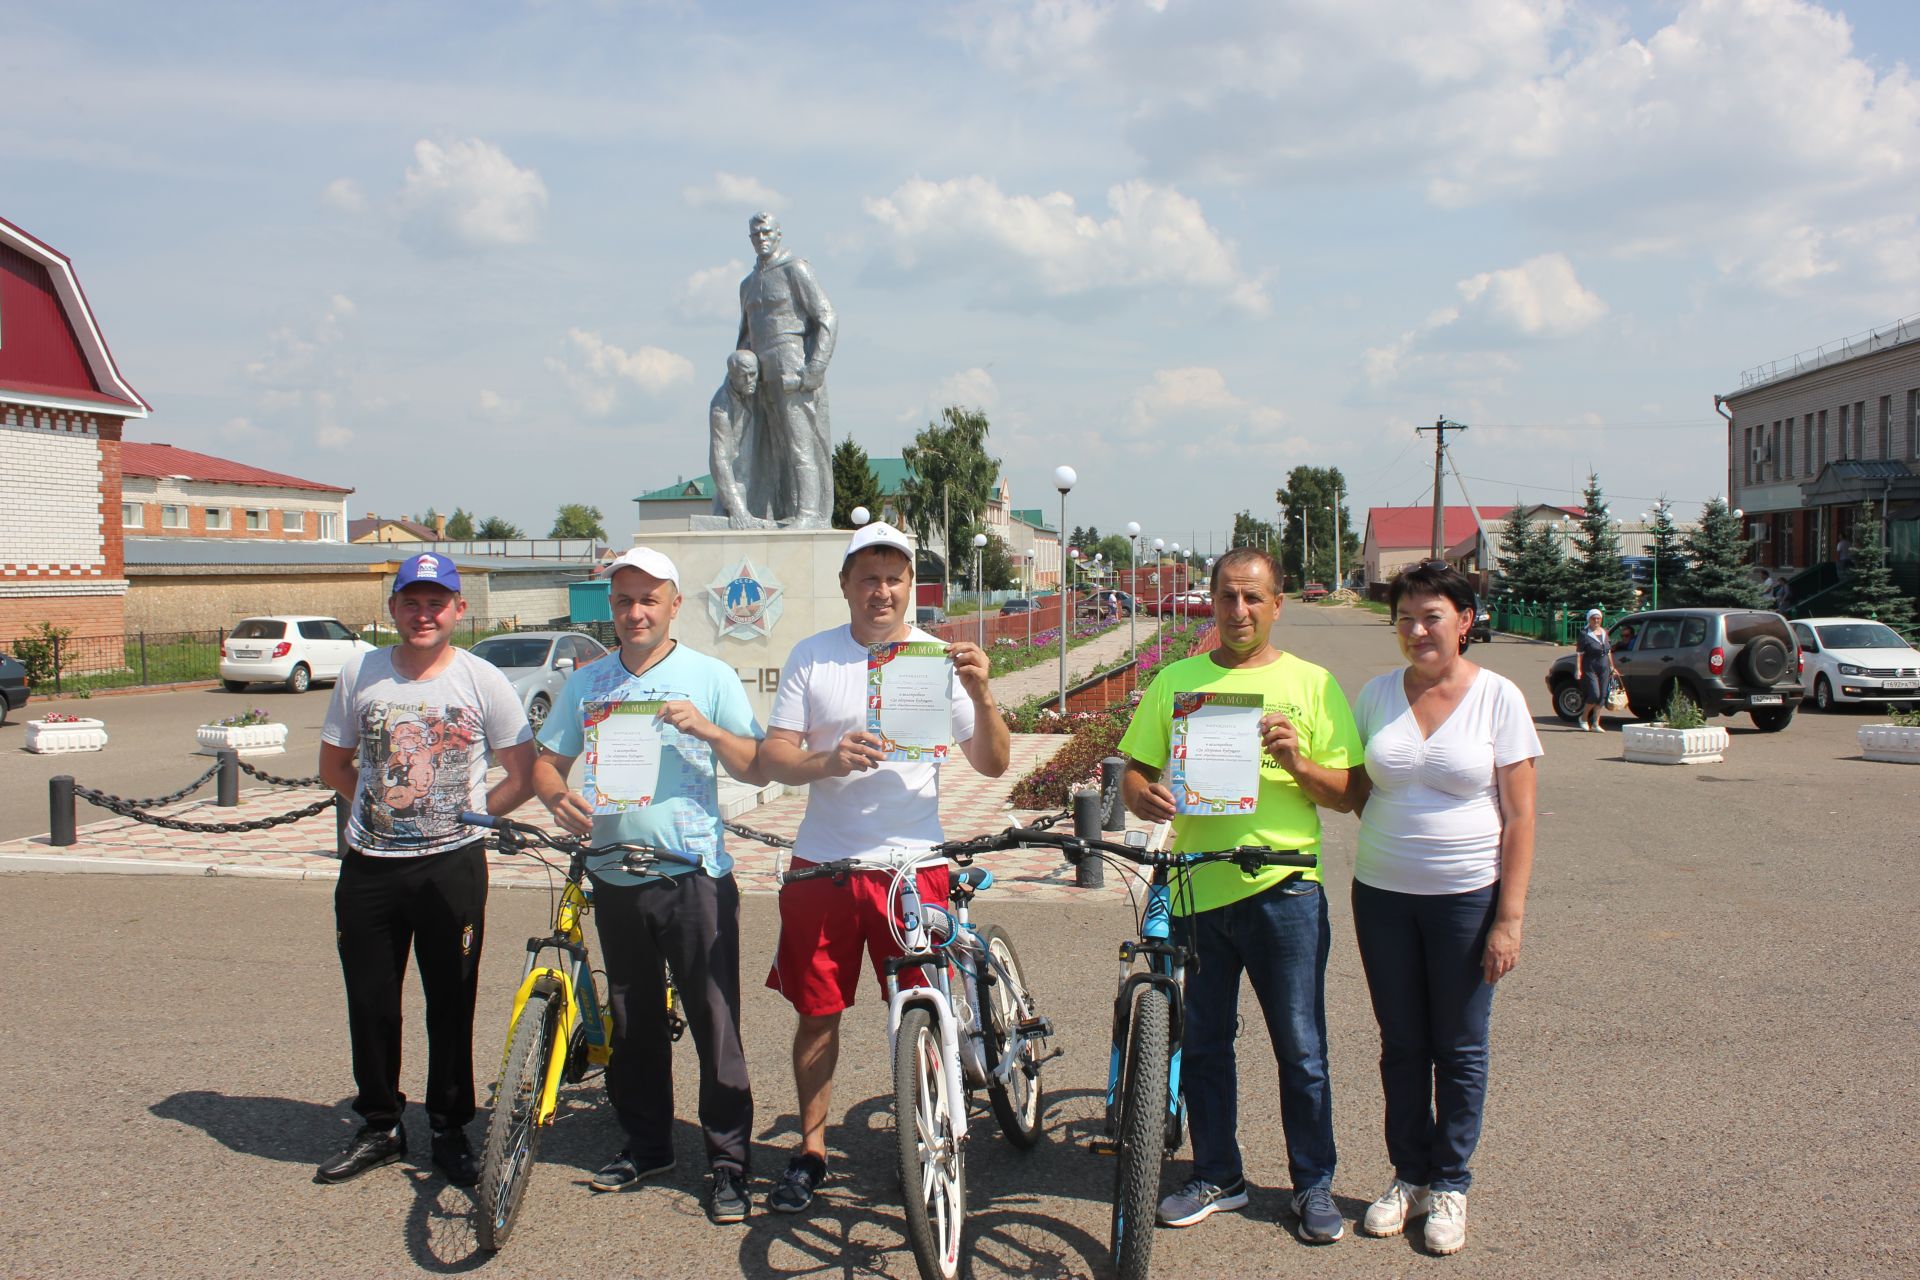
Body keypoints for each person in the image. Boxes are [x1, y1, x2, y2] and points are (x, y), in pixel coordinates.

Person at [754, 521, 1010, 1214]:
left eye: (895, 577)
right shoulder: (814, 657)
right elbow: (772, 755)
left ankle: (925, 1136)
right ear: (846, 585)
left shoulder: (935, 658)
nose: (882, 590)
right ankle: (810, 1151)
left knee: (919, 1010)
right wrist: (825, 760)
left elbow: (993, 762)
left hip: (913, 867)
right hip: (825, 866)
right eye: (868, 577)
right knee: (817, 1014)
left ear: (911, 587)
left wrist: (983, 693)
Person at [1118, 545, 1363, 1244]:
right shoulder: (1179, 681)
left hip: (1286, 887)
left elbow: (1350, 796)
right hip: (1201, 884)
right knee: (1203, 1043)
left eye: (1253, 597)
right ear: (1211, 601)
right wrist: (1149, 798)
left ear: (1278, 603)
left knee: (1301, 1046)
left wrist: (1296, 760)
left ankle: (1312, 1182)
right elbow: (1133, 777)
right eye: (1227, 596)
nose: (1239, 610)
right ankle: (1217, 1174)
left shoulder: (1312, 684)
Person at [531, 547, 764, 1224]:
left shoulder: (710, 676)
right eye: (624, 600)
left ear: (673, 606)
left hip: (693, 876)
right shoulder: (589, 683)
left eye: (649, 600)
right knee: (631, 1020)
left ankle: (728, 1162)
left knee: (716, 1022)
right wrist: (554, 796)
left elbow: (753, 766)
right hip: (615, 874)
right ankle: (647, 1144)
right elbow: (550, 763)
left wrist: (708, 727)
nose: (635, 612)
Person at [315, 552, 536, 1186]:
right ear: (393, 609)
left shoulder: (482, 679)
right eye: (411, 602)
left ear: (458, 611)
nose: (423, 614)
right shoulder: (362, 674)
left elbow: (520, 775)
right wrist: (383, 811)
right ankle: (380, 1123)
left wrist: (463, 815)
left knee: (450, 1001)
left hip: (451, 870)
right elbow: (334, 767)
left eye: (436, 602)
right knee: (372, 1001)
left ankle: (448, 1126)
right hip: (371, 868)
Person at [1346, 560, 1541, 1256]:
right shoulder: (1374, 695)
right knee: (1401, 1045)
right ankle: (1410, 1177)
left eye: (1431, 616)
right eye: (1405, 618)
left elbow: (1520, 817)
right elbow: (1356, 789)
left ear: (1464, 620)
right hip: (1383, 895)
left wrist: (1508, 918)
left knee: (1459, 1048)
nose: (1417, 630)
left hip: (1466, 900)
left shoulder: (1499, 699)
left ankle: (1451, 1183)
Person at [738, 211, 836, 528]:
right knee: (768, 448)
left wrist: (815, 369)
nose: (762, 239)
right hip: (759, 372)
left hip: (792, 362)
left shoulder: (796, 269)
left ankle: (809, 513)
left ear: (778, 234)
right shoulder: (748, 284)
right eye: (756, 234)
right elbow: (744, 335)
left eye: (767, 232)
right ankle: (776, 512)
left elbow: (827, 318)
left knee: (799, 444)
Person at [709, 350, 775, 530]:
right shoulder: (721, 406)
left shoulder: (761, 390)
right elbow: (719, 460)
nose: (749, 381)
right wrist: (737, 508)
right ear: (732, 375)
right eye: (743, 376)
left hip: (762, 477)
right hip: (736, 488)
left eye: (752, 374)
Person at [1573, 608, 1615, 732]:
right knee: (1594, 694)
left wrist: (1612, 666)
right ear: (1589, 619)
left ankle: (1596, 723)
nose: (1596, 620)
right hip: (1590, 666)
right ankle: (1583, 718)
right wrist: (1578, 669)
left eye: (1598, 618)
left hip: (1604, 666)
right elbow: (1579, 653)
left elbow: (1608, 652)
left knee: (1602, 695)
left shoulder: (1604, 632)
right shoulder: (1585, 634)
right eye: (1593, 618)